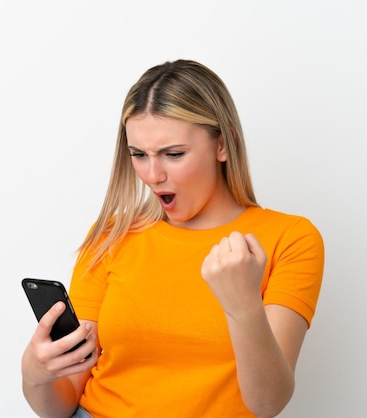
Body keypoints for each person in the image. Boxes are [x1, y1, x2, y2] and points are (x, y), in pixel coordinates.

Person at [21, 59, 324, 418]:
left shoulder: (289, 238)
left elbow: (268, 403)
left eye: (174, 154)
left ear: (222, 145)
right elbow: (64, 402)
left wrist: (242, 304)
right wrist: (35, 374)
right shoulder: (111, 236)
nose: (152, 175)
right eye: (139, 155)